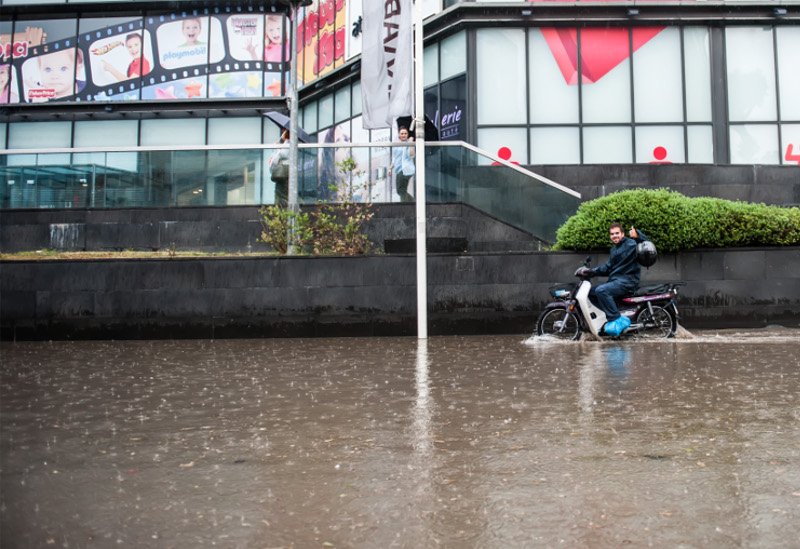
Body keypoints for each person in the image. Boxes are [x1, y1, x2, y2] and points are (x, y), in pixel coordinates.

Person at [579, 222, 649, 336]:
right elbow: (608, 267)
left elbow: (646, 244)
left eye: (617, 233)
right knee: (591, 292)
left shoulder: (631, 244)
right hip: (617, 281)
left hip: (628, 281)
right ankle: (610, 315)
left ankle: (617, 320)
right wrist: (591, 272)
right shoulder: (614, 250)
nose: (614, 236)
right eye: (612, 234)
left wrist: (638, 235)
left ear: (622, 234)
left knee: (601, 290)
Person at [391, 126, 415, 202]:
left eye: (405, 133)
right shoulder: (396, 145)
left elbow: (412, 155)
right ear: (399, 135)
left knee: (401, 190)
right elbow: (394, 158)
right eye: (402, 133)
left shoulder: (408, 143)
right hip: (399, 170)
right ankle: (413, 202)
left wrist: (411, 143)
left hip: (406, 169)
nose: (403, 135)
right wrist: (390, 168)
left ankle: (405, 205)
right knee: (400, 191)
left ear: (407, 135)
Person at [269, 129, 290, 207]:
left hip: (284, 171)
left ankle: (282, 212)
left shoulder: (289, 143)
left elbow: (282, 154)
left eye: (284, 132)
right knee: (280, 192)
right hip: (282, 172)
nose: (282, 134)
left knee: (282, 193)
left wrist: (277, 148)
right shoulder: (285, 143)